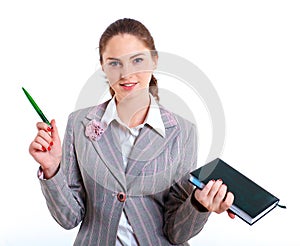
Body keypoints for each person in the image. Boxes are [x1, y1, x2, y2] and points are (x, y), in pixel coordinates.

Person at [29, 18, 235, 246]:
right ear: (103, 67)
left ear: (154, 60)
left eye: (137, 60)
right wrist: (52, 169)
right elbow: (69, 218)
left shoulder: (183, 131)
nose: (126, 74)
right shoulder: (79, 123)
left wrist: (198, 204)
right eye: (115, 63)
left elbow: (177, 233)